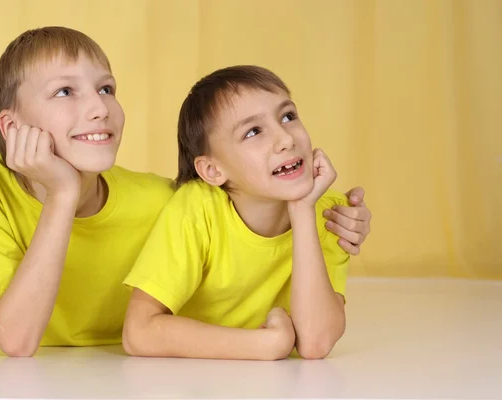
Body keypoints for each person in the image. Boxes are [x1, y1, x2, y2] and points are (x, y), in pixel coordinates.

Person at [0, 28, 371, 357]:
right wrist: (62, 194)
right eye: (66, 91)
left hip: (102, 332)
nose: (99, 107)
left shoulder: (166, 200)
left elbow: (241, 202)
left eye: (106, 88)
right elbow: (17, 340)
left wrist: (336, 218)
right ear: (11, 126)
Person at [122, 65, 363, 360]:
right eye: (253, 131)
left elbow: (316, 342)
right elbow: (138, 333)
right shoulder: (196, 210)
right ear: (212, 170)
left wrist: (302, 210)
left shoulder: (329, 213)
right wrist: (265, 345)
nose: (286, 139)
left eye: (288, 116)